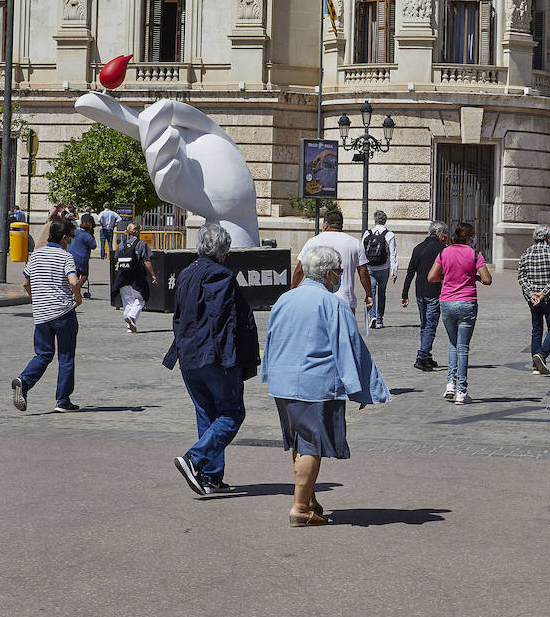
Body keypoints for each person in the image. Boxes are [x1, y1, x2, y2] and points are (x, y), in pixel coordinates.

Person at [263, 246, 390, 526]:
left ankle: (308, 497)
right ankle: (300, 507)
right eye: (340, 272)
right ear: (329, 272)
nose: (341, 277)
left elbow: (271, 339)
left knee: (300, 440)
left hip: (283, 383)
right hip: (315, 384)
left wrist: (270, 373)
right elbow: (349, 347)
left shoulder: (285, 299)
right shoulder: (333, 304)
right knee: (311, 444)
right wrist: (361, 387)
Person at [165, 224, 260, 496]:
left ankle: (211, 476)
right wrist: (238, 360)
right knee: (232, 413)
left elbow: (179, 315)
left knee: (207, 413)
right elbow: (228, 322)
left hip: (189, 355)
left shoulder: (186, 273)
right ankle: (194, 459)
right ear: (223, 251)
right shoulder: (221, 276)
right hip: (214, 357)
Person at [13, 219, 84, 413]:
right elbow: (74, 282)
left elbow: (26, 283)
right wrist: (78, 298)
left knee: (43, 354)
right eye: (69, 237)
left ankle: (24, 381)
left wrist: (37, 299)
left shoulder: (35, 255)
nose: (70, 241)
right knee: (66, 356)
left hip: (42, 314)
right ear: (63, 238)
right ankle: (63, 401)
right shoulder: (65, 256)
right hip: (63, 312)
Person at [427, 222, 492, 405]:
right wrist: (474, 277)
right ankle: (462, 391)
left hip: (447, 302)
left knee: (452, 343)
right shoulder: (474, 254)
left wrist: (447, 276)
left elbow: (431, 277)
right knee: (463, 347)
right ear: (470, 237)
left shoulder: (444, 252)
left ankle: (450, 384)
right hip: (467, 302)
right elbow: (487, 280)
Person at [291, 210, 371, 325]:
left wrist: (293, 289)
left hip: (318, 302)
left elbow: (300, 270)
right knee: (345, 339)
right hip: (345, 301)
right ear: (341, 225)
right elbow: (363, 273)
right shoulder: (354, 243)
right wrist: (369, 295)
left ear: (325, 224)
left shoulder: (313, 241)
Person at [401, 220, 447, 372]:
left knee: (424, 324)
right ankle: (422, 356)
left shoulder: (418, 248)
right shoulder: (442, 249)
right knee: (431, 325)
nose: (444, 237)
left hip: (420, 291)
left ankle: (426, 356)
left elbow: (410, 272)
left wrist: (404, 293)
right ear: (439, 233)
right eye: (444, 234)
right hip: (435, 291)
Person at [517, 225, 550, 374]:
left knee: (536, 328)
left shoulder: (526, 253)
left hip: (533, 299)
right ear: (547, 237)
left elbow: (521, 277)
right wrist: (543, 293)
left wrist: (532, 293)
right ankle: (542, 354)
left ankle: (536, 365)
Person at [112, 223, 156, 333]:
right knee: (141, 299)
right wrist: (153, 275)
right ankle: (131, 317)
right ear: (136, 231)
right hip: (136, 276)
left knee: (128, 301)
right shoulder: (141, 244)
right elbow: (147, 260)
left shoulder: (122, 244)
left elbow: (117, 260)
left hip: (123, 277)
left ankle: (130, 326)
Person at [361, 211, 398, 330]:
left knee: (370, 292)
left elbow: (361, 251)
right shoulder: (389, 235)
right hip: (384, 268)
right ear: (385, 220)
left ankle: (372, 316)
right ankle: (380, 319)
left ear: (375, 220)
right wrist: (394, 270)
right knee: (382, 293)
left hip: (369, 268)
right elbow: (393, 253)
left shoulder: (367, 233)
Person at [69, 213, 98, 299]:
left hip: (71, 256)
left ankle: (73, 289)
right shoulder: (88, 236)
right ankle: (76, 288)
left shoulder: (75, 232)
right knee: (84, 275)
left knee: (75, 274)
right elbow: (94, 246)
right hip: (82, 258)